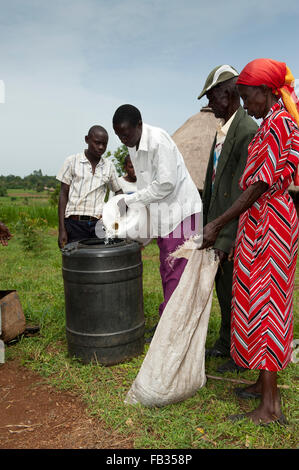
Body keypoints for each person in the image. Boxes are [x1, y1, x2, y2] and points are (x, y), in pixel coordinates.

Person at [201, 58, 299, 425]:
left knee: (269, 306)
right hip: (264, 221)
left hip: (270, 223)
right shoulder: (274, 122)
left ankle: (270, 406)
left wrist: (219, 222)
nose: (246, 105)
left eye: (247, 97)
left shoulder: (278, 124)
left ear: (264, 91)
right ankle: (263, 382)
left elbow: (258, 185)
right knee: (261, 302)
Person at [112, 104, 202, 330]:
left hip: (181, 214)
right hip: (164, 216)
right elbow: (146, 187)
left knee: (177, 271)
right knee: (166, 268)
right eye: (119, 135)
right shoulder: (134, 145)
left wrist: (130, 200)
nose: (123, 139)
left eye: (126, 133)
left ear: (139, 125)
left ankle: (173, 329)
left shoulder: (158, 141)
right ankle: (169, 322)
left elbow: (165, 184)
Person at [197, 65, 258, 372]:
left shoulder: (246, 130)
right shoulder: (223, 128)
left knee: (238, 294)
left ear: (228, 92)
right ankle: (225, 339)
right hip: (218, 225)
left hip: (234, 231)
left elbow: (241, 191)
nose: (208, 104)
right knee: (224, 291)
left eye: (212, 96)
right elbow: (214, 182)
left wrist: (225, 236)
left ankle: (242, 354)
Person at [57, 125, 122, 248]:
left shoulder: (109, 166)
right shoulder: (72, 161)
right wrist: (62, 229)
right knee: (76, 262)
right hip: (74, 223)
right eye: (97, 143)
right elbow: (63, 194)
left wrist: (113, 216)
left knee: (99, 262)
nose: (101, 147)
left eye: (104, 144)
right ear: (87, 139)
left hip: (99, 224)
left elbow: (119, 192)